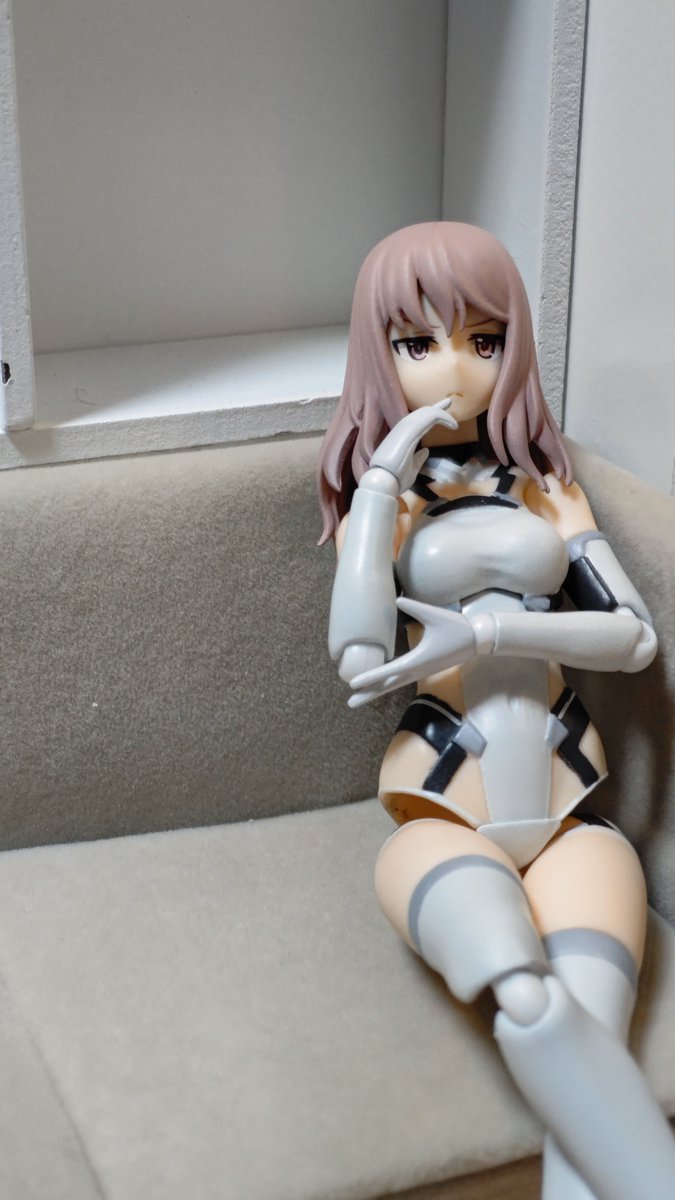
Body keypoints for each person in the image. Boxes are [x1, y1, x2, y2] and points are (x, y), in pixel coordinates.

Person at [318, 222, 675, 1200]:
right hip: (442, 815)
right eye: (416, 342)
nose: (455, 369)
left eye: (484, 339)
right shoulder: (386, 505)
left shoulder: (548, 488)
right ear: (379, 353)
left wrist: (486, 636)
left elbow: (632, 637)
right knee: (523, 993)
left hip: (571, 819)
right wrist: (381, 475)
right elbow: (358, 652)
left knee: (591, 1024)